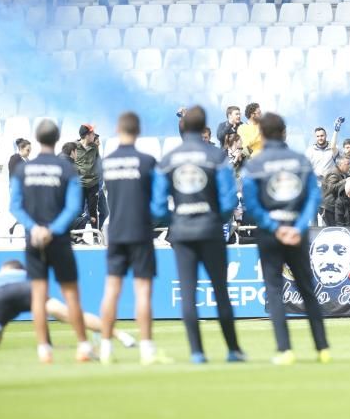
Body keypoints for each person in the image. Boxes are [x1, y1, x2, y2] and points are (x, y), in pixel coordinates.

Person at [152, 106, 244, 364]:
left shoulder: (168, 158)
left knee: (188, 293)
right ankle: (233, 350)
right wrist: (213, 216)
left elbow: (157, 206)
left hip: (182, 233)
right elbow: (229, 201)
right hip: (211, 230)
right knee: (221, 291)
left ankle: (197, 352)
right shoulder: (216, 156)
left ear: (182, 127)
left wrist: (177, 219)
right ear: (204, 127)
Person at [241, 112, 329, 365]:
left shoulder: (255, 165)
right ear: (284, 133)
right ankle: (322, 348)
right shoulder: (300, 160)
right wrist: (298, 227)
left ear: (262, 135)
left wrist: (273, 226)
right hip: (296, 232)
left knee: (274, 290)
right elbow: (314, 196)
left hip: (270, 234)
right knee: (307, 289)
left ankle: (285, 350)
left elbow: (251, 202)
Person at [8, 119, 93, 364]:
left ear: (36, 138)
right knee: (71, 294)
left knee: (38, 295)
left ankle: (44, 350)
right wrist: (52, 230)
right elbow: (74, 206)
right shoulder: (67, 169)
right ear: (57, 140)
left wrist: (35, 228)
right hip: (58, 240)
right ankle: (83, 347)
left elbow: (15, 205)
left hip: (33, 239)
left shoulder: (24, 169)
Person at [97, 112, 168, 366]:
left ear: (118, 129)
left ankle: (105, 348)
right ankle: (147, 350)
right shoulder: (148, 161)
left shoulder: (107, 163)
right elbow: (160, 206)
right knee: (143, 292)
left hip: (115, 231)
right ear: (139, 131)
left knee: (111, 291)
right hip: (140, 231)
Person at [0, 260, 137, 353]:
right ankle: (119, 335)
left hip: (0, 295)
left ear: (5, 269)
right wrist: (49, 343)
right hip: (30, 290)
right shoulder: (26, 274)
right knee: (70, 314)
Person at [72, 124, 101, 227]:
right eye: (92, 133)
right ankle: (78, 236)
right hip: (79, 184)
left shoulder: (95, 147)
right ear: (87, 135)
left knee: (93, 210)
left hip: (93, 184)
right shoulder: (74, 146)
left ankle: (95, 236)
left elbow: (98, 163)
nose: (94, 135)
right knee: (79, 210)